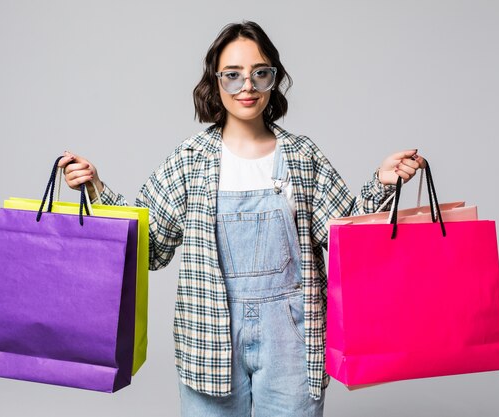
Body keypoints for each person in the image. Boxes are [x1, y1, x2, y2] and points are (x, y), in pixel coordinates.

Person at [58, 21, 424, 417]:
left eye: (259, 73)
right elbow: (150, 249)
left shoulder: (303, 156)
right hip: (209, 329)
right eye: (232, 76)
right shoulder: (189, 160)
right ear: (215, 83)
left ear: (273, 79)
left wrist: (380, 184)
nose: (246, 86)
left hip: (293, 338)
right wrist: (97, 189)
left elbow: (345, 241)